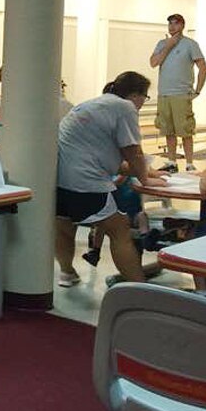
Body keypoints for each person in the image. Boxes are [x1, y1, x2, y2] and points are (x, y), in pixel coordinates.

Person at [55, 71, 166, 289]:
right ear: (136, 94)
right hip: (86, 183)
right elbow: (133, 152)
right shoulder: (125, 108)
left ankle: (67, 273)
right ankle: (140, 287)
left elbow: (103, 158)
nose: (144, 102)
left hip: (61, 180)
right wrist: (145, 179)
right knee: (119, 229)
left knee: (65, 227)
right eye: (145, 97)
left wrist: (149, 173)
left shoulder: (90, 105)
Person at [149, 13, 206, 173]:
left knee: (185, 130)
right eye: (170, 24)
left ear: (182, 25)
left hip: (182, 94)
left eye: (175, 23)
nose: (172, 27)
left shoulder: (190, 44)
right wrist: (168, 45)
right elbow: (153, 63)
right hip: (164, 94)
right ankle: (172, 162)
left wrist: (198, 90)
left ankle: (189, 163)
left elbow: (203, 67)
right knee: (168, 130)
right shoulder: (162, 43)